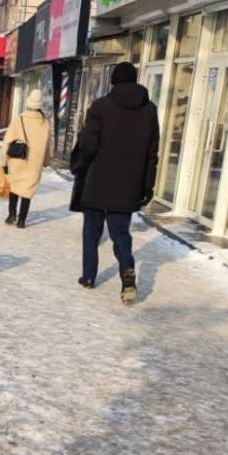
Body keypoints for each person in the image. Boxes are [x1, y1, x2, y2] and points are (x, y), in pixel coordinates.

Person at [73, 62, 159, 304]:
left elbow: (88, 146)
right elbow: (153, 153)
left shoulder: (101, 107)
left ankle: (89, 276)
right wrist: (147, 186)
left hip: (97, 181)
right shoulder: (149, 110)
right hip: (128, 185)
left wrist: (80, 166)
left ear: (113, 80)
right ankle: (127, 270)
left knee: (92, 231)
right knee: (121, 233)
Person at [0, 89, 53, 228]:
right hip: (35, 163)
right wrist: (46, 160)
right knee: (28, 191)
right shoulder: (45, 123)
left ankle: (11, 214)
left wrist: (3, 162)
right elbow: (49, 145)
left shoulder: (19, 119)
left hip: (18, 160)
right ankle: (22, 220)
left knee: (15, 187)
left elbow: (7, 142)